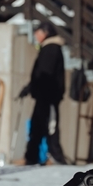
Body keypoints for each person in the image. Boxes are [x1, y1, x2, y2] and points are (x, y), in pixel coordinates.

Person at [20, 21, 67, 165]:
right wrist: (30, 87)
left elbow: (45, 74)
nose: (35, 36)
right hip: (43, 95)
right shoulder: (47, 48)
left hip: (48, 96)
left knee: (50, 126)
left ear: (45, 33)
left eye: (38, 33)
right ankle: (31, 157)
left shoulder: (51, 49)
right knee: (37, 126)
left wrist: (33, 87)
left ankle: (56, 156)